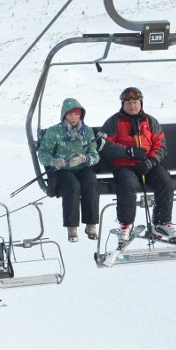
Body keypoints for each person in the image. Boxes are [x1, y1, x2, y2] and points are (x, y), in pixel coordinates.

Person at [97, 87, 176, 245]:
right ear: (123, 104)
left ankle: (161, 222)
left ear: (141, 103)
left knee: (164, 180)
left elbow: (161, 146)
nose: (132, 106)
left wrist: (152, 161)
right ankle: (126, 224)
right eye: (128, 103)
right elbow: (103, 146)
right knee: (128, 184)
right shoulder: (113, 122)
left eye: (135, 102)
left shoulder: (150, 121)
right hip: (124, 165)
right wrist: (127, 152)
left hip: (147, 164)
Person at [37, 97, 101, 242]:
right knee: (72, 185)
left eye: (77, 114)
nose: (73, 118)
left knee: (90, 181)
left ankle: (91, 224)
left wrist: (84, 159)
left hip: (81, 167)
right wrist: (52, 161)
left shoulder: (87, 132)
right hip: (62, 170)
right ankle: (72, 227)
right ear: (64, 115)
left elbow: (95, 155)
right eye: (70, 115)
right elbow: (43, 152)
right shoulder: (54, 132)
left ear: (81, 115)